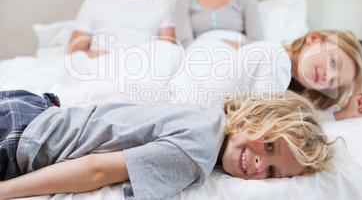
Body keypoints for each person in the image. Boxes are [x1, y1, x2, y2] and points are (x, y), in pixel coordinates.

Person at [0, 89, 335, 199]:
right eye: (271, 146)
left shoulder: (208, 116)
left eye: (274, 173)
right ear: (255, 117)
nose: (261, 164)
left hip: (32, 108)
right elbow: (96, 170)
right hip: (22, 138)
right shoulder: (198, 151)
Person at [171, 30, 362, 121]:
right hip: (182, 109)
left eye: (333, 82)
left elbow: (290, 114)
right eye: (333, 62)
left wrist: (341, 113)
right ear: (312, 39)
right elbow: (267, 119)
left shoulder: (280, 69)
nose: (328, 76)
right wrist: (339, 115)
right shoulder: (278, 60)